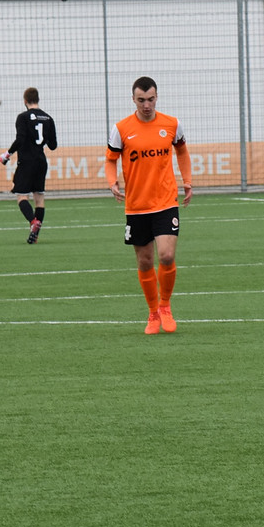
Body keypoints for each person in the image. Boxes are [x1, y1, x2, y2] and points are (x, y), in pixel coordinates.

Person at [105, 76, 192, 335]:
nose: (146, 105)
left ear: (157, 98)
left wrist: (187, 182)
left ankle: (165, 306)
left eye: (151, 99)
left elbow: (182, 152)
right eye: (141, 100)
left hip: (166, 202)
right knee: (144, 262)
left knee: (166, 255)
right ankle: (153, 312)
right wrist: (112, 182)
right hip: (137, 205)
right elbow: (110, 160)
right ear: (133, 99)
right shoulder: (121, 129)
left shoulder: (172, 124)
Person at [0, 87, 57, 244]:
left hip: (26, 162)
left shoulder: (22, 117)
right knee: (39, 198)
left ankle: (33, 222)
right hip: (41, 161)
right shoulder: (48, 118)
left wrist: (7, 154)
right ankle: (35, 235)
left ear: (25, 101)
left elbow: (20, 139)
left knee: (21, 196)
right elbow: (53, 146)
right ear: (38, 99)